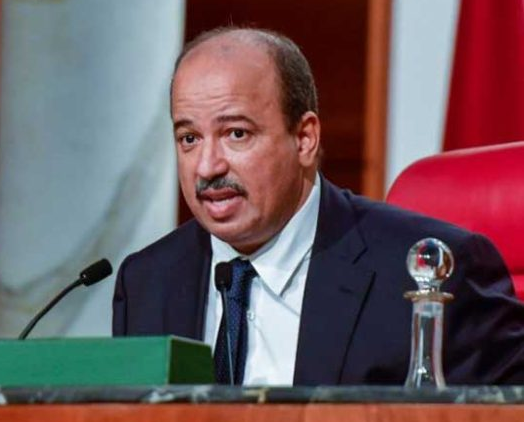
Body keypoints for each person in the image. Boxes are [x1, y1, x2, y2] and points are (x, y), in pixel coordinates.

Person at [112, 27, 524, 385]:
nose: (207, 166)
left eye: (236, 134)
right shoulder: (147, 282)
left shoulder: (432, 273)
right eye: (189, 139)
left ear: (305, 139)